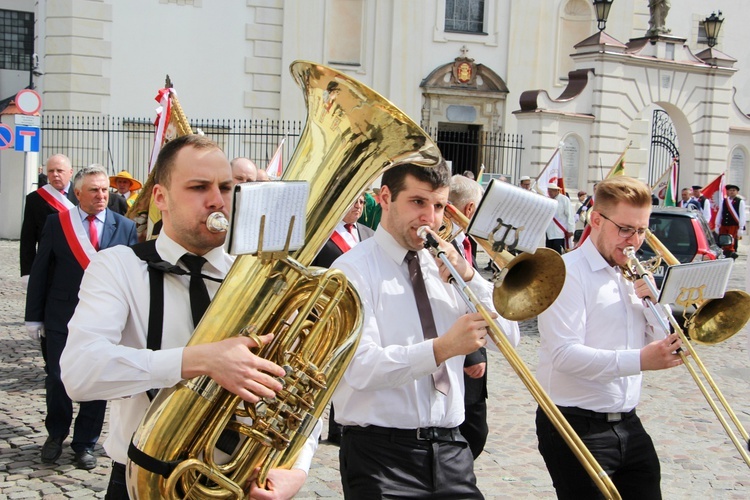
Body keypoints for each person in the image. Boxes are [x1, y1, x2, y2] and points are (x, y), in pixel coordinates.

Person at [60, 135, 319, 499]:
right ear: (160, 198)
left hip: (241, 482)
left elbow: (305, 388)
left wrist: (298, 467)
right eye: (199, 187)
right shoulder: (118, 266)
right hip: (143, 481)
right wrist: (198, 361)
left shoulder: (261, 278)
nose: (218, 200)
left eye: (226, 187)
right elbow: (80, 374)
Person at [330, 161, 520, 498]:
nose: (430, 218)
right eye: (418, 202)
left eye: (438, 206)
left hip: (451, 450)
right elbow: (361, 369)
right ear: (385, 197)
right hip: (380, 456)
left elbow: (509, 338)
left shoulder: (445, 264)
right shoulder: (352, 270)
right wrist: (443, 348)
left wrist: (472, 277)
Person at [536, 176, 684, 498]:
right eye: (625, 229)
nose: (634, 240)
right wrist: (642, 360)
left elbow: (659, 337)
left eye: (642, 230)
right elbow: (564, 355)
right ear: (596, 220)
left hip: (628, 421)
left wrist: (654, 305)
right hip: (574, 424)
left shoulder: (632, 272)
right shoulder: (566, 273)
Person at [25, 165, 138, 470]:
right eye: (94, 190)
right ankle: (56, 434)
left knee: (97, 380)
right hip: (61, 316)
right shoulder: (57, 223)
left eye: (105, 190)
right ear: (78, 194)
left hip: (105, 320)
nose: (101, 195)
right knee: (59, 380)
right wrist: (34, 317)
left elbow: (133, 277)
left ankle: (85, 443)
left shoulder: (124, 227)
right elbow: (41, 271)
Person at [312, 194, 374, 445]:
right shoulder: (321, 235)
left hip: (366, 313)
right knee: (332, 370)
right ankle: (330, 425)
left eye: (361, 201)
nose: (358, 206)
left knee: (354, 367)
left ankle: (346, 422)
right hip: (331, 314)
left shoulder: (369, 233)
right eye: (353, 200)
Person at [448, 174, 488, 460]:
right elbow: (454, 303)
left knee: (474, 429)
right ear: (471, 209)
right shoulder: (446, 242)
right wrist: (472, 355)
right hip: (459, 351)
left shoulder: (464, 241)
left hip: (473, 344)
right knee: (470, 429)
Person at [20, 154, 77, 280]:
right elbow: (27, 239)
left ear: (70, 172)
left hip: (78, 260)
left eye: (60, 170)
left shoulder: (82, 194)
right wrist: (27, 272)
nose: (55, 174)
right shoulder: (34, 199)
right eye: (51, 171)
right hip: (49, 264)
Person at [715, 184, 745, 259]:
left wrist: (741, 227)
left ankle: (731, 254)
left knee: (731, 241)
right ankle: (725, 254)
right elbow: (720, 212)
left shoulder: (740, 201)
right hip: (724, 224)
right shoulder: (725, 201)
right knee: (723, 240)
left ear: (737, 192)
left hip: (733, 225)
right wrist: (717, 224)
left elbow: (742, 215)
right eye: (730, 190)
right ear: (728, 191)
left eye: (733, 190)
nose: (732, 192)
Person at [545, 183, 574, 254]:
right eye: (549, 191)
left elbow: (569, 215)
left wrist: (571, 229)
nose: (549, 193)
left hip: (560, 232)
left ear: (556, 191)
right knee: (549, 251)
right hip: (549, 231)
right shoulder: (547, 200)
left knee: (558, 250)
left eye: (551, 191)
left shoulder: (564, 199)